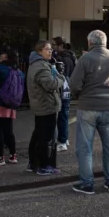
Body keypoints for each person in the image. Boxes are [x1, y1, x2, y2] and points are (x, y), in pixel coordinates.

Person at [69, 30, 109, 195]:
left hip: (88, 107)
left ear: (90, 43)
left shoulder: (85, 59)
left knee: (85, 148)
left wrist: (79, 95)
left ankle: (87, 184)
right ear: (104, 42)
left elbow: (74, 84)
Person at [27, 40, 66, 175]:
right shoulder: (41, 66)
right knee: (45, 137)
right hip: (46, 105)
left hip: (41, 104)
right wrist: (61, 77)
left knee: (38, 134)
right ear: (39, 51)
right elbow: (51, 85)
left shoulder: (36, 64)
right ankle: (43, 166)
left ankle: (33, 163)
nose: (51, 51)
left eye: (51, 49)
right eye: (47, 49)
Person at [52, 37, 77, 152]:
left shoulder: (61, 59)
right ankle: (64, 138)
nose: (52, 47)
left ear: (60, 46)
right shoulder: (71, 56)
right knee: (64, 114)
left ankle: (62, 141)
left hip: (62, 88)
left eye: (54, 45)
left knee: (61, 115)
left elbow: (62, 75)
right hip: (68, 88)